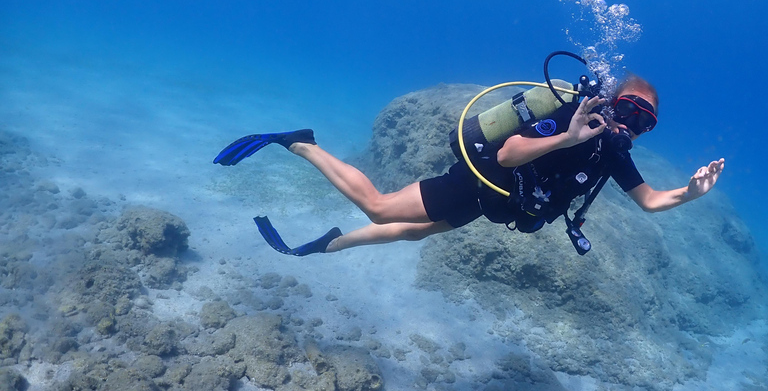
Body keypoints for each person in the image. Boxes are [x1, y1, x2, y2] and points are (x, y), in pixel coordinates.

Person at [213, 74, 725, 256]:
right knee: (379, 209)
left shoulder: (612, 151)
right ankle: (302, 144)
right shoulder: (571, 117)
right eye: (629, 110)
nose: (631, 126)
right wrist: (567, 136)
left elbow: (650, 200)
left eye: (645, 123)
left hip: (493, 204)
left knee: (413, 233)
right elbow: (508, 153)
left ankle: (331, 244)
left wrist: (690, 193)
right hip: (477, 182)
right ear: (611, 101)